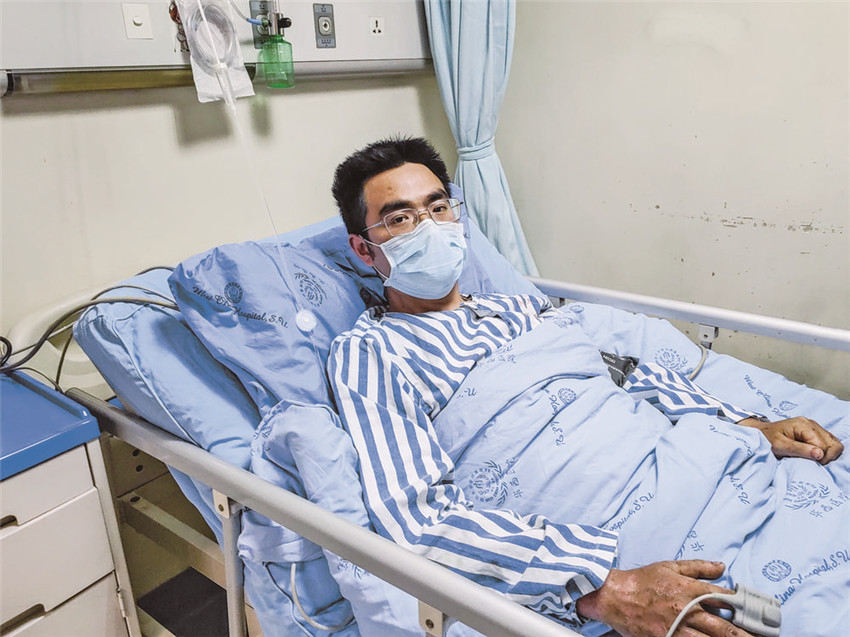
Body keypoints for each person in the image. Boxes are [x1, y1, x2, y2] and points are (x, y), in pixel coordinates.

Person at [326, 137, 844, 637]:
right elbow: (418, 520)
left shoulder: (522, 308)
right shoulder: (372, 354)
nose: (430, 227)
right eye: (401, 219)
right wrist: (604, 587)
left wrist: (748, 424)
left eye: (439, 208)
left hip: (720, 472)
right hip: (644, 549)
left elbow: (627, 373)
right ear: (364, 250)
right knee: (798, 614)